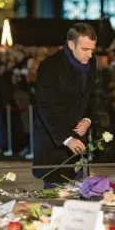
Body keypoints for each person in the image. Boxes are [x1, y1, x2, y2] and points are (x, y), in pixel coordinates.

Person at [32, 23, 97, 188]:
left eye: (92, 49)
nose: (90, 55)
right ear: (71, 44)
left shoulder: (91, 62)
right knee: (55, 200)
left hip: (80, 141)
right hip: (55, 142)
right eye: (85, 49)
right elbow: (45, 108)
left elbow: (90, 96)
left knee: (80, 196)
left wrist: (87, 120)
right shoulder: (50, 66)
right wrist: (67, 139)